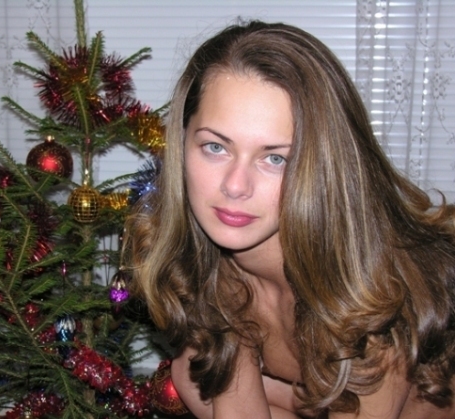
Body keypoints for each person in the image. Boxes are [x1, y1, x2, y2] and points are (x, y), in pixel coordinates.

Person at [124, 20, 455, 418]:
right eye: (215, 147)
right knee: (192, 371)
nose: (235, 186)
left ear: (322, 166)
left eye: (275, 159)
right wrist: (228, 315)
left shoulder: (371, 288)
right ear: (182, 141)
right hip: (324, 400)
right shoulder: (205, 262)